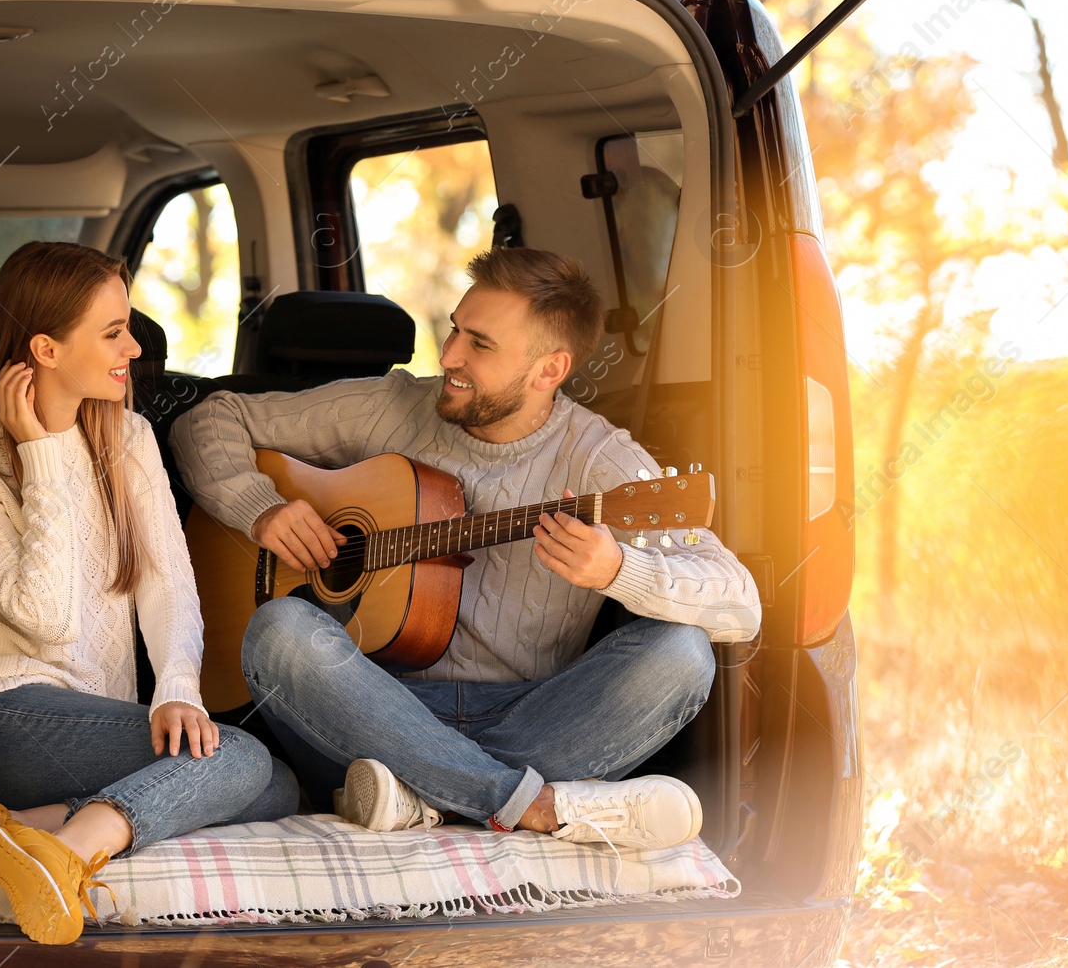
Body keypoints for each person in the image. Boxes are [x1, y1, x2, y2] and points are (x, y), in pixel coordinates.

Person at [171, 247, 759, 851]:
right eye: (454, 328)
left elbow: (742, 605)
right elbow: (208, 419)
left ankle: (425, 799)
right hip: (368, 713)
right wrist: (258, 508)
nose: (448, 355)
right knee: (280, 630)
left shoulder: (603, 463)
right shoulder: (396, 405)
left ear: (549, 370)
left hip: (527, 717)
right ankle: (528, 805)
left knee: (682, 650)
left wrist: (619, 569)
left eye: (480, 344)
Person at [0, 241, 298, 945]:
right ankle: (70, 847)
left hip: (87, 720)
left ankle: (19, 826)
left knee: (278, 782)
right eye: (113, 331)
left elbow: (168, 583)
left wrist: (178, 686)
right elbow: (51, 622)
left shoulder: (130, 435)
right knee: (239, 760)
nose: (135, 345)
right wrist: (44, 451)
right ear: (46, 348)